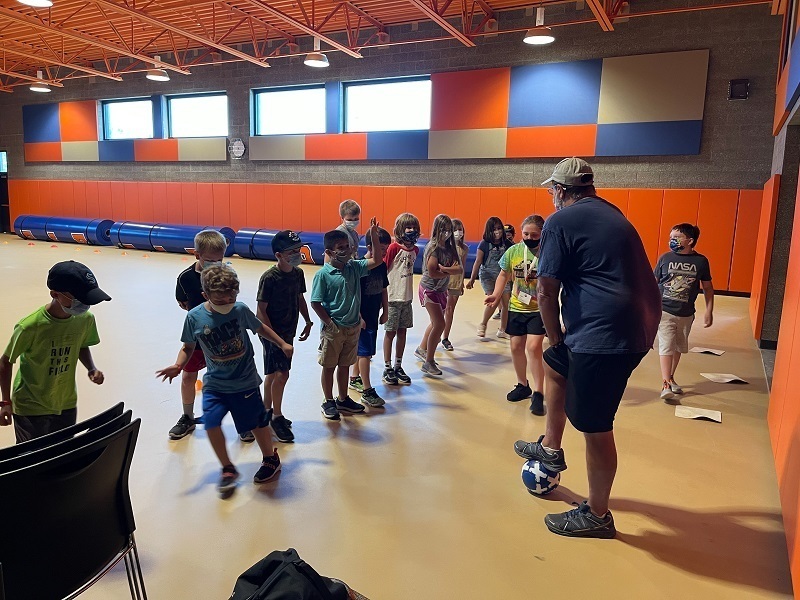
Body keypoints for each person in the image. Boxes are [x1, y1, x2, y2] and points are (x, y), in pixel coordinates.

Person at [514, 157, 660, 538]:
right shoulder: (611, 212)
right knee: (554, 364)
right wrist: (559, 348)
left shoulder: (561, 221)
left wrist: (557, 336)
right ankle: (550, 447)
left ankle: (597, 514)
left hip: (607, 335)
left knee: (594, 424)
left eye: (552, 191)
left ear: (561, 191)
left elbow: (546, 291)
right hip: (636, 323)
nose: (551, 197)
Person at [156, 264, 292, 496]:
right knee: (211, 423)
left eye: (233, 293)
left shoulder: (239, 310)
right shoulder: (195, 317)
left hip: (245, 381)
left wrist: (281, 343)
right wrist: (179, 365)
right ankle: (227, 468)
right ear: (205, 295)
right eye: (221, 296)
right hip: (216, 383)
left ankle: (271, 458)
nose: (228, 299)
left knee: (257, 424)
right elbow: (188, 347)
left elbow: (261, 328)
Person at [0, 261, 110, 444]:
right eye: (80, 298)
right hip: (31, 406)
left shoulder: (84, 319)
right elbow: (5, 361)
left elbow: (81, 343)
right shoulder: (30, 327)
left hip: (65, 401)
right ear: (55, 294)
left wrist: (91, 368)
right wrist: (5, 402)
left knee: (62, 451)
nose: (84, 305)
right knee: (33, 458)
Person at [311, 218, 384, 421]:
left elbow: (377, 260)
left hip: (352, 328)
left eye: (347, 246)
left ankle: (343, 398)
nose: (346, 250)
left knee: (345, 364)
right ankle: (328, 400)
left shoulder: (354, 267)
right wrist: (330, 323)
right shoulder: (323, 275)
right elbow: (315, 302)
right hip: (334, 328)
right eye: (340, 248)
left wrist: (374, 236)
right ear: (329, 252)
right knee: (329, 365)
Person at [256, 230, 313, 444]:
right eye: (292, 252)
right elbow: (260, 311)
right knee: (282, 374)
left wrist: (307, 320)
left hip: (288, 331)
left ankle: (266, 411)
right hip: (271, 332)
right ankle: (276, 417)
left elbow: (300, 298)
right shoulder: (269, 278)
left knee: (272, 373)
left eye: (298, 250)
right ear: (279, 255)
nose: (297, 254)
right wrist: (275, 339)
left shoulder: (297, 274)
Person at [485, 215, 547, 415]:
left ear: (542, 234)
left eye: (534, 234)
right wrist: (495, 295)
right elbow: (504, 274)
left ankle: (538, 392)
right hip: (517, 306)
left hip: (539, 309)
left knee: (534, 346)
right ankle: (523, 385)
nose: (529, 237)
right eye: (526, 233)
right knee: (515, 346)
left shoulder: (547, 252)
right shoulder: (513, 251)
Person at [170, 230, 228, 441]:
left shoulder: (226, 274)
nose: (216, 265)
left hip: (222, 335)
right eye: (210, 261)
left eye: (219, 261)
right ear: (197, 255)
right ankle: (187, 417)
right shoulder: (185, 278)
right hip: (197, 335)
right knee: (188, 375)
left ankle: (241, 418)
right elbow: (183, 303)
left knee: (228, 377)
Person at [654, 223, 714, 402]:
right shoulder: (665, 258)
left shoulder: (701, 261)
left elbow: (708, 288)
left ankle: (671, 377)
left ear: (690, 240)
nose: (672, 240)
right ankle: (665, 384)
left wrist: (709, 310)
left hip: (686, 313)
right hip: (664, 310)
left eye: (677, 237)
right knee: (666, 345)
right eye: (671, 237)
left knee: (679, 346)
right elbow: (653, 282)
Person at [415, 214, 462, 377]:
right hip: (429, 289)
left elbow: (459, 269)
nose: (447, 233)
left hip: (442, 289)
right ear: (437, 230)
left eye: (449, 230)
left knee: (435, 323)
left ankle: (422, 348)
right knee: (440, 324)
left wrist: (445, 270)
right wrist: (446, 272)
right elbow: (432, 272)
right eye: (444, 230)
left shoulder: (450, 248)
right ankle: (428, 362)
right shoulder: (433, 247)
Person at [349, 228, 391, 407]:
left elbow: (383, 289)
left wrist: (386, 311)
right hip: (362, 317)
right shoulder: (360, 266)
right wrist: (358, 316)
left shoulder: (381, 265)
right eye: (381, 248)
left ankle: (354, 378)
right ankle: (367, 390)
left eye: (386, 249)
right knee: (365, 352)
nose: (384, 252)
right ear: (369, 247)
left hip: (374, 314)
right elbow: (352, 293)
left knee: (364, 351)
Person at [382, 213, 420, 386]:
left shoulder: (416, 250)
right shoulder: (394, 248)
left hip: (407, 298)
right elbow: (385, 268)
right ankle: (387, 366)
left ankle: (398, 365)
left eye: (414, 227)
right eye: (408, 227)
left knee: (402, 331)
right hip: (393, 297)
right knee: (390, 332)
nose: (411, 230)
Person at [467, 216, 513, 339]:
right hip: (487, 274)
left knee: (506, 303)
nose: (497, 231)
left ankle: (503, 329)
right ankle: (483, 323)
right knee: (494, 299)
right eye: (494, 229)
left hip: (502, 275)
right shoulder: (484, 244)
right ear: (489, 230)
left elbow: (512, 260)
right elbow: (478, 262)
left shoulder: (507, 244)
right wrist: (472, 279)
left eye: (499, 228)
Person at [442, 218, 468, 351]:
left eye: (460, 229)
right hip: (444, 282)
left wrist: (462, 282)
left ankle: (445, 337)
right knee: (442, 310)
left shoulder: (464, 248)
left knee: (450, 311)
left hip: (456, 283)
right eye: (455, 229)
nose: (459, 232)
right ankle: (436, 333)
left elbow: (462, 266)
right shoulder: (446, 247)